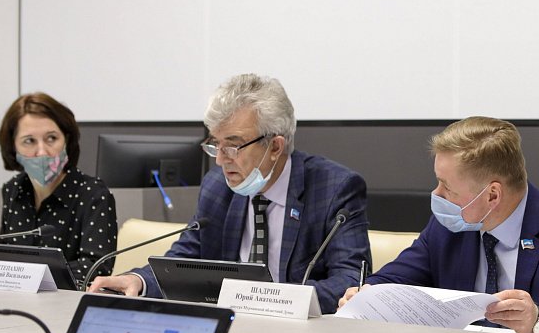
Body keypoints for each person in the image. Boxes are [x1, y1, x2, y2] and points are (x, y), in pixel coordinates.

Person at [338, 117, 539, 333]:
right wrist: (365, 296)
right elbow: (393, 281)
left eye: (447, 187)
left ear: (492, 195)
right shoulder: (448, 226)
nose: (437, 195)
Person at [89, 73, 371, 313]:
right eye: (216, 145)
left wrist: (270, 300)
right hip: (230, 327)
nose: (221, 160)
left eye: (233, 146)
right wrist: (139, 281)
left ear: (275, 147)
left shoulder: (335, 188)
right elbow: (185, 259)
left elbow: (350, 280)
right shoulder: (217, 187)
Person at [0, 93, 117, 283]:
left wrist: (25, 275)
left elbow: (97, 268)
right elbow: (3, 255)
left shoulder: (93, 194)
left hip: (69, 299)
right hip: (15, 297)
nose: (42, 152)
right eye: (29, 141)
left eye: (51, 138)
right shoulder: (14, 189)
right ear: (13, 147)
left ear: (66, 140)